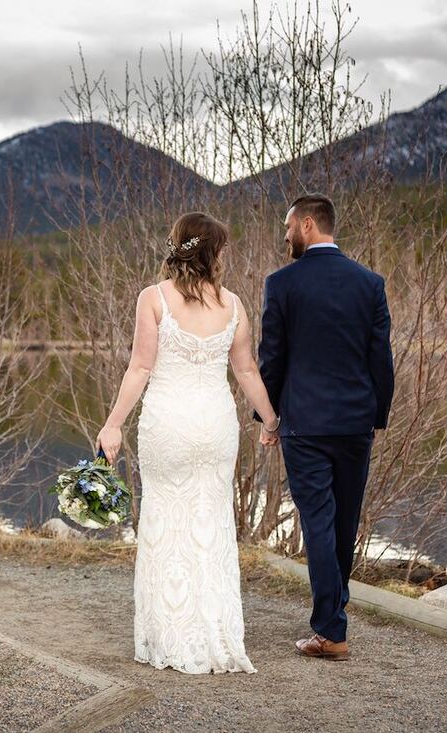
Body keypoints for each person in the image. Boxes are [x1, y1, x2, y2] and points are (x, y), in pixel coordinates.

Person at [95, 211, 280, 674]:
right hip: (216, 428)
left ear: (178, 246)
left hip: (169, 425)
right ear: (214, 254)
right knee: (211, 525)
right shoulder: (233, 306)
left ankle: (170, 638)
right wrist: (271, 419)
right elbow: (246, 372)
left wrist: (113, 424)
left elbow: (140, 368)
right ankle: (215, 635)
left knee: (165, 522)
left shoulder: (154, 299)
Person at [256, 193, 395, 661]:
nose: (285, 234)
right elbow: (381, 360)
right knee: (344, 523)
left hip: (306, 424)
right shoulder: (369, 284)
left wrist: (269, 417)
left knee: (318, 521)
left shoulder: (282, 284)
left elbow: (271, 359)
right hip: (355, 423)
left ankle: (331, 631)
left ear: (309, 224)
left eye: (288, 226)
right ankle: (334, 612)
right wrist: (376, 417)